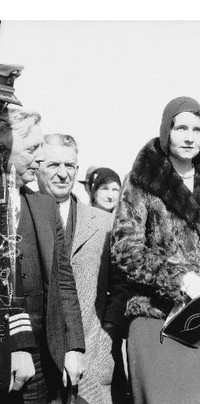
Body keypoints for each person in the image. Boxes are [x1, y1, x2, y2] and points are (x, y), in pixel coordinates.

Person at [108, 96, 200, 403]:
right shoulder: (142, 180)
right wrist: (181, 280)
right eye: (180, 128)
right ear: (166, 130)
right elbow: (124, 247)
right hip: (157, 318)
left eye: (197, 130)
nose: (189, 137)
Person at [0, 107, 85, 403]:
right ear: (4, 147)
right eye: (32, 148)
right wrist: (15, 346)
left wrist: (74, 346)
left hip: (44, 359)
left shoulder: (45, 209)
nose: (39, 158)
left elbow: (64, 283)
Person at [36, 133, 127, 403]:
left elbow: (122, 286)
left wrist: (107, 334)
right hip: (38, 368)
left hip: (92, 364)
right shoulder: (20, 218)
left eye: (70, 166)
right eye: (54, 165)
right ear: (37, 165)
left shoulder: (103, 224)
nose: (63, 174)